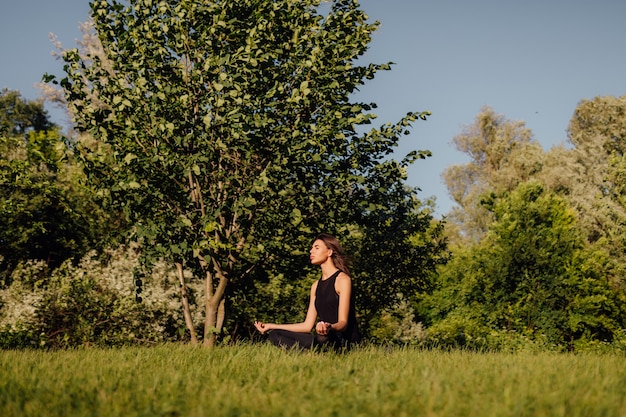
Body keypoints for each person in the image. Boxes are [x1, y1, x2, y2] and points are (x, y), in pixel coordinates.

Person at [254, 233, 360, 351]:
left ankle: (316, 352)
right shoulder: (315, 286)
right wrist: (271, 326)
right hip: (322, 337)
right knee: (275, 335)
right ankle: (308, 355)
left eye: (316, 248)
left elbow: (343, 323)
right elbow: (307, 326)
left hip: (342, 339)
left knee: (322, 338)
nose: (311, 251)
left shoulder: (343, 280)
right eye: (311, 248)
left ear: (329, 252)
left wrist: (329, 327)